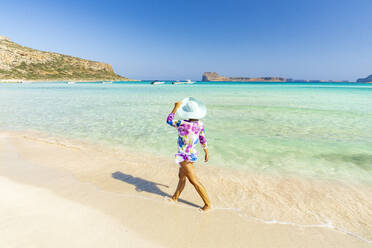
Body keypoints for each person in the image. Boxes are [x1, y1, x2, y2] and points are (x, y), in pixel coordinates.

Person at [166, 97, 211, 211]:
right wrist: (206, 151)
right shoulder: (200, 124)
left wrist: (175, 107)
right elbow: (202, 139)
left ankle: (208, 204)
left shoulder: (182, 123)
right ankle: (175, 197)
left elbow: (169, 120)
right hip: (190, 155)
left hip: (184, 156)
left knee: (194, 181)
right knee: (181, 177)